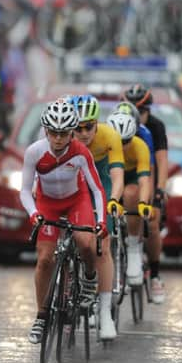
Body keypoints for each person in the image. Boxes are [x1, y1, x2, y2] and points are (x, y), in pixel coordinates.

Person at [19, 98, 114, 344]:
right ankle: (41, 316)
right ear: (46, 130)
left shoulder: (81, 153)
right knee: (44, 260)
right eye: (53, 133)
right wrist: (34, 213)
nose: (58, 138)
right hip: (47, 203)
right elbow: (24, 190)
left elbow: (96, 190)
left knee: (85, 241)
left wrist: (101, 221)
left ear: (71, 132)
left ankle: (89, 278)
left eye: (63, 133)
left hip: (76, 200)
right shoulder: (34, 152)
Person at [70, 95, 123, 337]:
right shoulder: (62, 136)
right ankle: (64, 294)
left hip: (100, 181)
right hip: (72, 182)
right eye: (77, 128)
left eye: (88, 127)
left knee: (102, 243)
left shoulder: (109, 136)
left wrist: (114, 200)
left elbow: (116, 175)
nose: (83, 133)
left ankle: (104, 313)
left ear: (97, 123)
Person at [122, 84, 167, 304]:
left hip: (148, 174)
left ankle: (156, 274)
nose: (138, 117)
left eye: (142, 113)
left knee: (152, 220)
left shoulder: (155, 128)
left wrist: (159, 191)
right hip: (125, 176)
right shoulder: (121, 125)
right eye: (134, 112)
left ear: (149, 111)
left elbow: (160, 162)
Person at [105, 110, 153, 286]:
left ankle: (133, 246)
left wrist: (143, 203)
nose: (121, 146)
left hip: (131, 177)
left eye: (126, 141)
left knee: (131, 193)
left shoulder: (140, 146)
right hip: (110, 176)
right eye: (117, 141)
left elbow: (144, 180)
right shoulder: (103, 143)